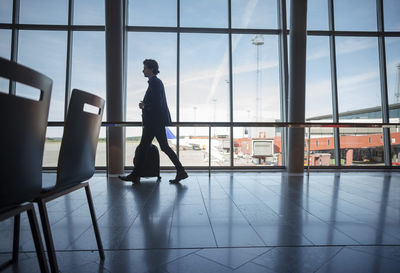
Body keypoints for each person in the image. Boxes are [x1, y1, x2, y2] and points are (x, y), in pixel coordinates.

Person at [119, 59, 188, 184]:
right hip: (157, 122)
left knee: (144, 148)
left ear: (151, 69)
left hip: (153, 122)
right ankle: (181, 171)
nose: (143, 70)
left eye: (145, 68)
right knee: (162, 147)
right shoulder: (155, 82)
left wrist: (144, 105)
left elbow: (157, 103)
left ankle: (135, 175)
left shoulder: (154, 82)